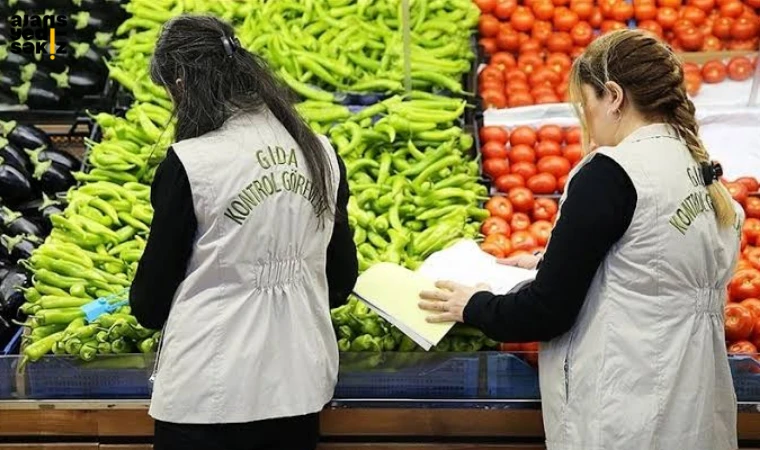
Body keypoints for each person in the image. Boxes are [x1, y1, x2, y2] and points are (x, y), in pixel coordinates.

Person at [419, 29, 743, 450]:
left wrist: (474, 305)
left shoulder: (612, 172)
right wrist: (546, 261)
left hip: (627, 411)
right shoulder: (696, 169)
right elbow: (651, 262)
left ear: (613, 96)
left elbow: (548, 312)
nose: (585, 117)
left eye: (585, 102)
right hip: (693, 407)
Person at [128, 15, 358, 450]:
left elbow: (149, 302)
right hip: (299, 388)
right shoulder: (321, 152)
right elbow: (341, 282)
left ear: (181, 83)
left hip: (207, 395)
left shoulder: (191, 164)